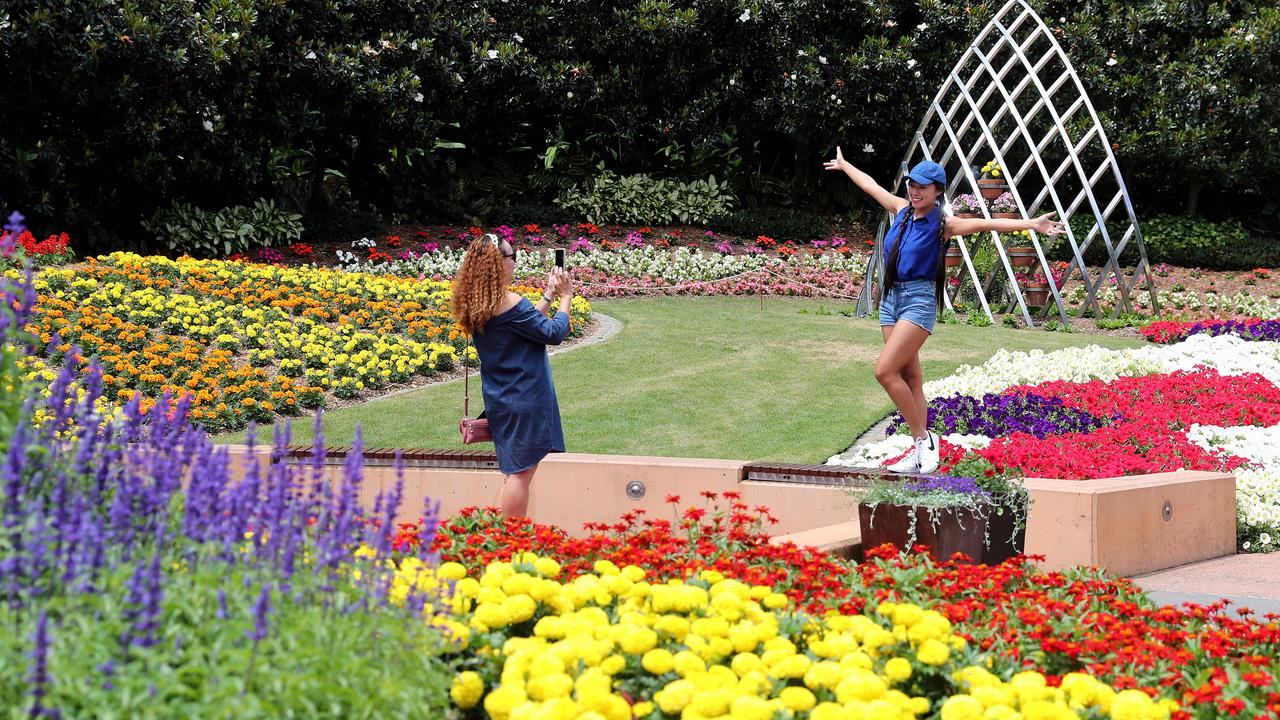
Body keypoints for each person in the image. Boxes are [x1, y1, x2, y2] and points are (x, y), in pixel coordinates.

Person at [823, 148, 1065, 473]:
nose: (914, 190)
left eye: (923, 186)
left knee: (884, 372)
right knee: (911, 379)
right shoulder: (901, 210)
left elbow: (985, 224)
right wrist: (845, 164)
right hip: (891, 301)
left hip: (918, 302)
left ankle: (924, 438)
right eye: (911, 184)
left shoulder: (944, 224)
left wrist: (1032, 224)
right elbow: (870, 186)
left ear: (938, 191)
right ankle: (919, 451)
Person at [450, 233, 575, 516]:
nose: (515, 262)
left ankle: (498, 532)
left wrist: (548, 295)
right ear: (497, 263)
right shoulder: (508, 301)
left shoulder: (480, 302)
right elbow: (552, 333)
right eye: (511, 256)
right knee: (520, 474)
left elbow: (526, 326)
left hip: (502, 399)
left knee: (513, 473)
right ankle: (509, 538)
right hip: (525, 398)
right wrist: (566, 297)